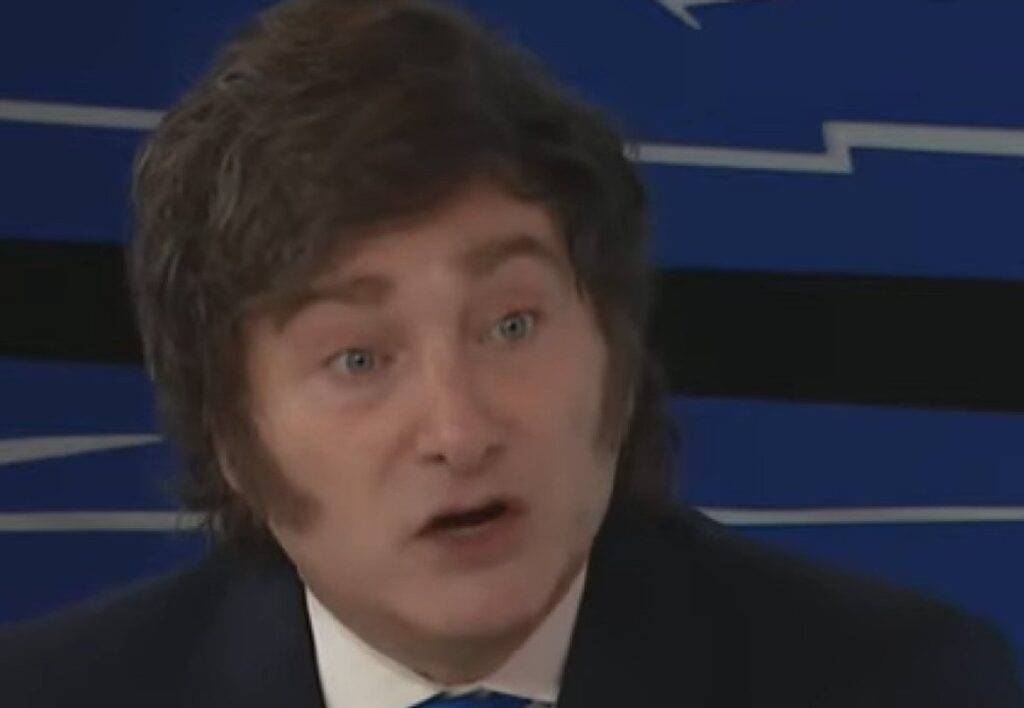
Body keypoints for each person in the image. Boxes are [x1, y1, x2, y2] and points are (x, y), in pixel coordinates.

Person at [1, 1, 1021, 706]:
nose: (459, 429)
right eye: (358, 359)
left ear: (615, 352)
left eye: (511, 326)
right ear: (232, 436)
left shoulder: (906, 685)